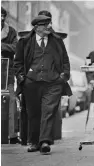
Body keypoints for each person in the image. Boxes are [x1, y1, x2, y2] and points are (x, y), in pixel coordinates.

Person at [13, 14, 72, 154]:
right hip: (31, 83)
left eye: (49, 23)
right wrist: (22, 78)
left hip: (53, 83)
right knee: (33, 113)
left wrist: (63, 77)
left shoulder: (57, 41)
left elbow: (65, 60)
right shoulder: (25, 42)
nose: (49, 27)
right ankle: (34, 142)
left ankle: (44, 141)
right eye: (45, 24)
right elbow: (18, 62)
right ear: (36, 27)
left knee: (48, 111)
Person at [1, 6, 20, 144]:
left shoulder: (12, 32)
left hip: (7, 72)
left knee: (11, 102)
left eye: (2, 16)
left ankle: (12, 135)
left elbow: (15, 48)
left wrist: (1, 46)